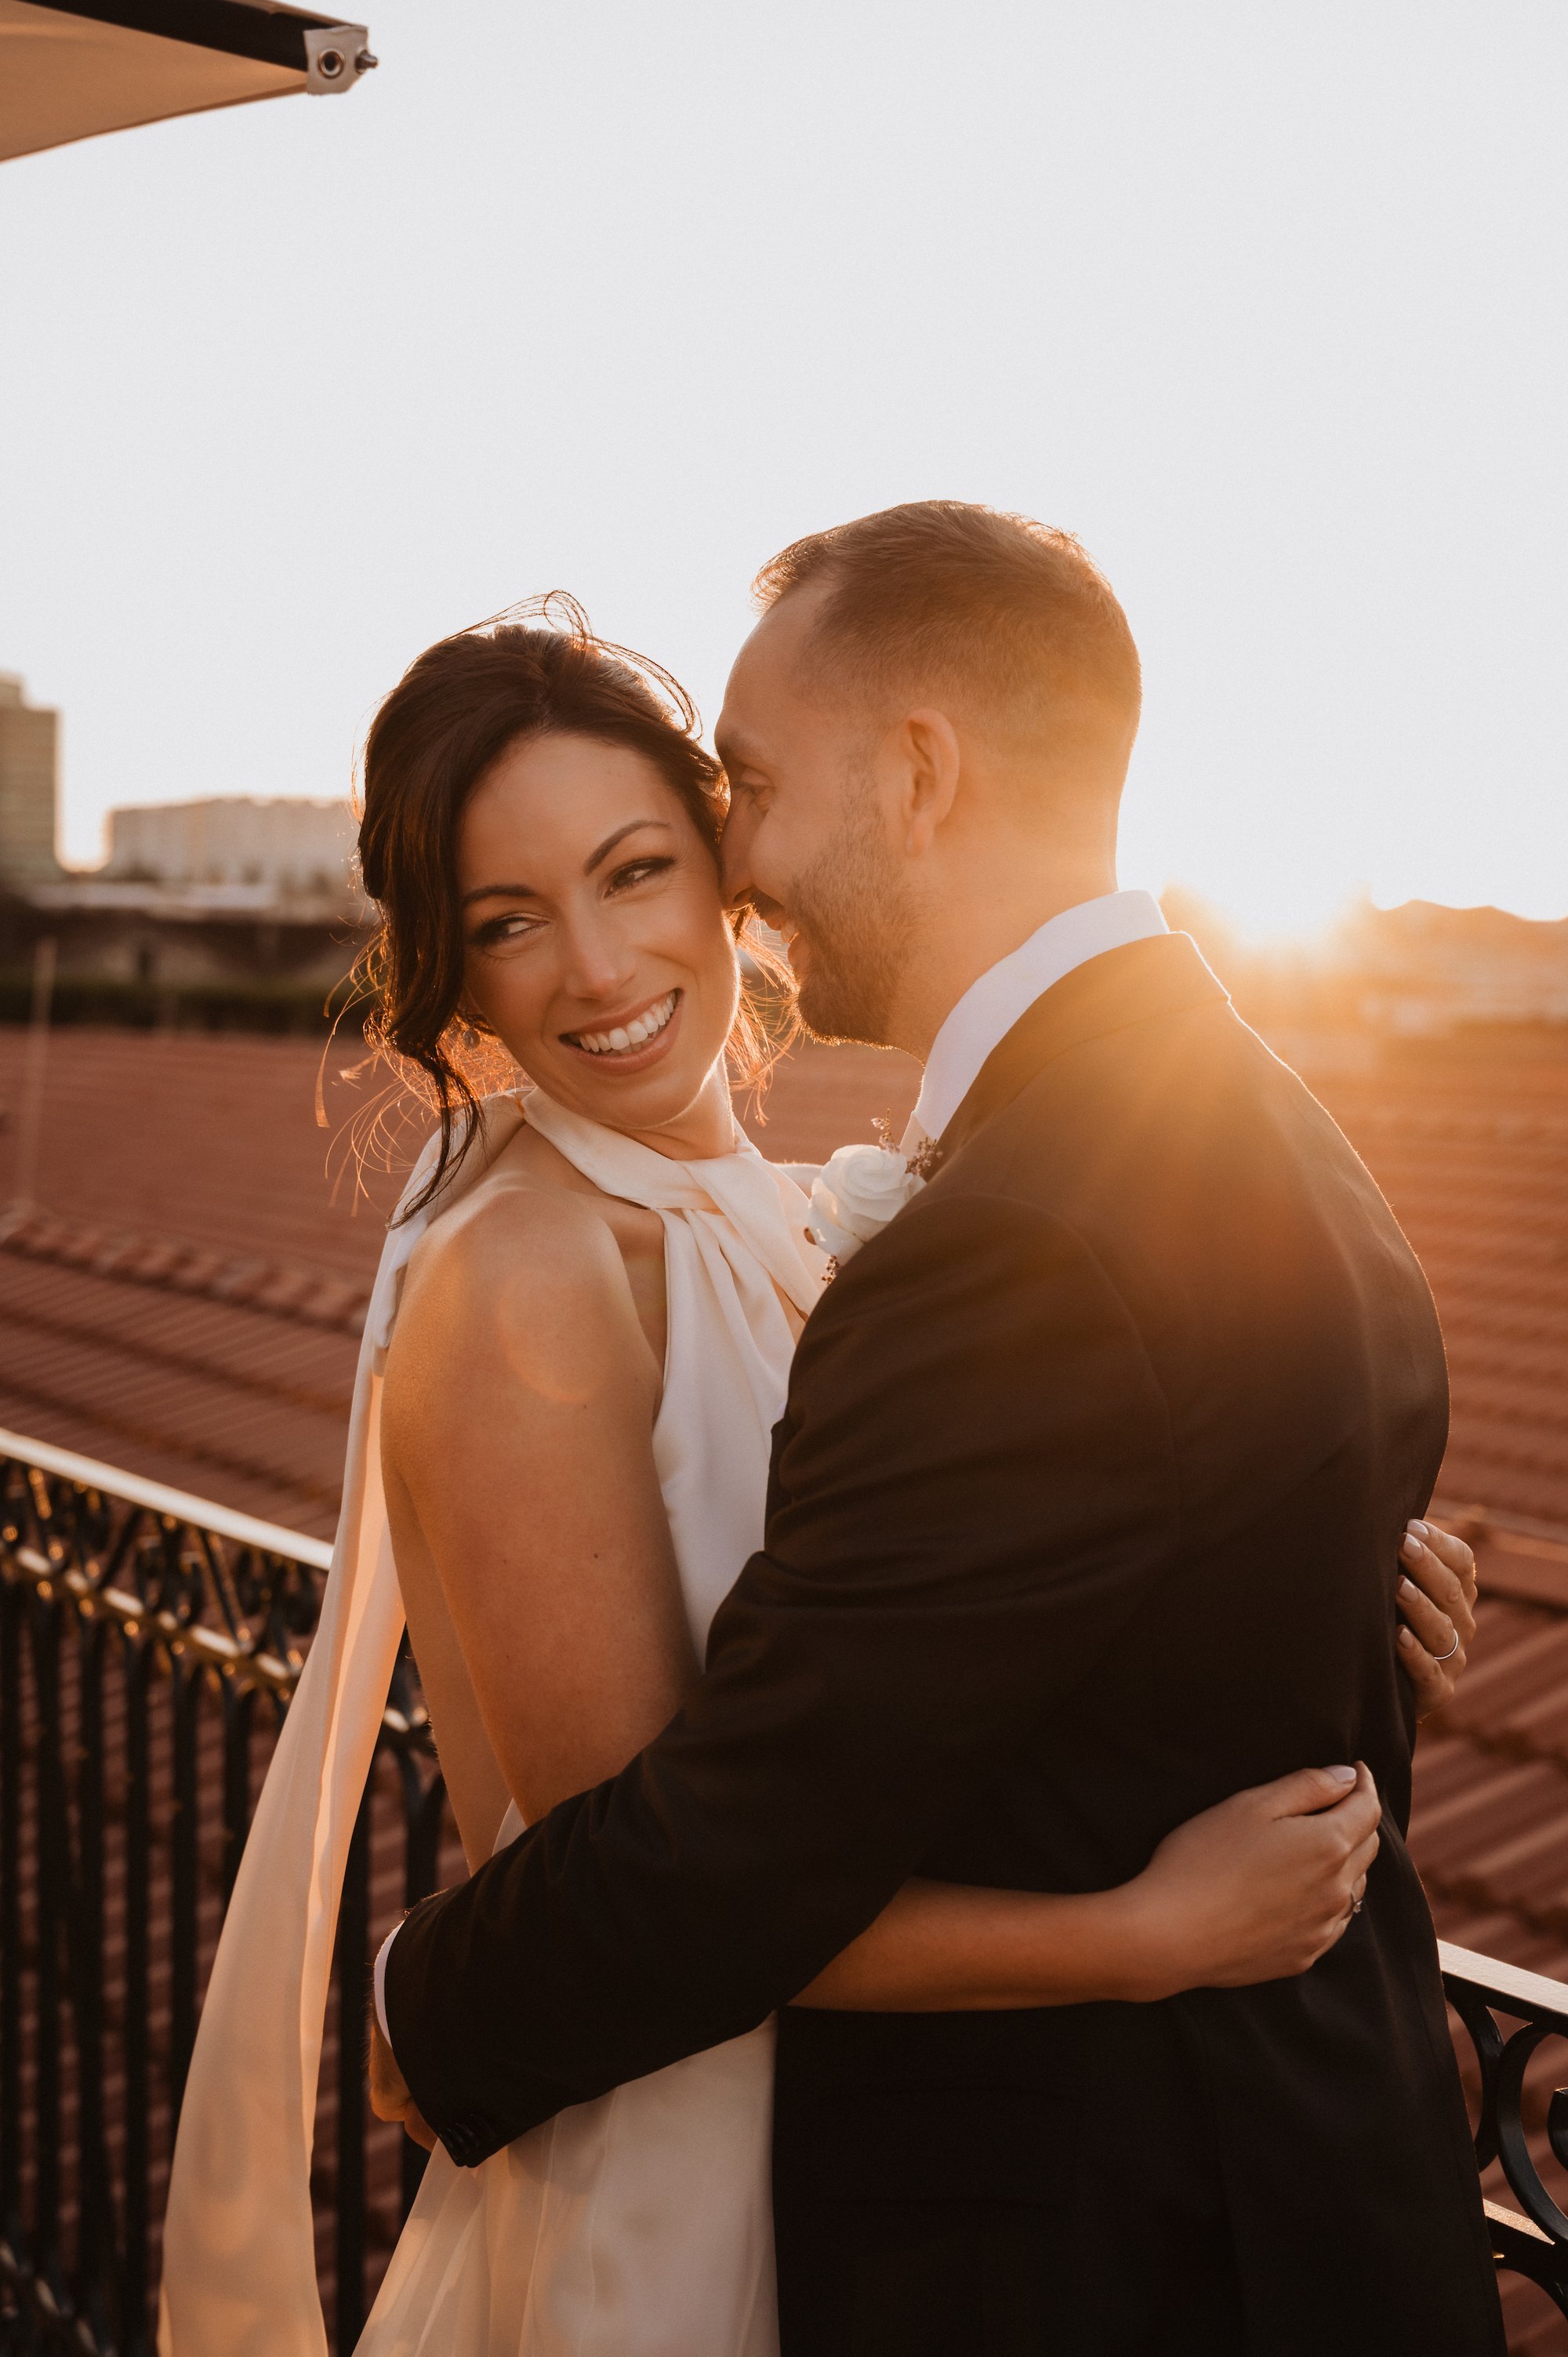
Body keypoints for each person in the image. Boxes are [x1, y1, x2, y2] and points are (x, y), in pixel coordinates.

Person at [154, 547, 1478, 2357]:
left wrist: (1302, 1588)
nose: (605, 958)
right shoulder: (537, 1268)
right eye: (508, 916)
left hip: (984, 2181)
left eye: (670, 849)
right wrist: (1141, 1926)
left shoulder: (882, 1218)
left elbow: (835, 1740)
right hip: (700, 2140)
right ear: (449, 958)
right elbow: (683, 1849)